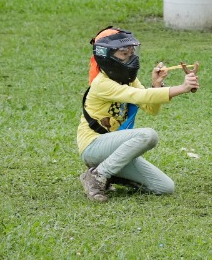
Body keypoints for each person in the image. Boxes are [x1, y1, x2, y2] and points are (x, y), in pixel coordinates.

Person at [77, 26, 199, 202]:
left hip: (114, 150)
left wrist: (156, 85)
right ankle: (97, 176)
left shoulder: (129, 79)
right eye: (124, 54)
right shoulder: (101, 84)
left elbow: (151, 108)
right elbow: (140, 95)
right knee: (148, 135)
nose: (131, 59)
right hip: (93, 146)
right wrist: (182, 88)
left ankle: (106, 173)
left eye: (132, 53)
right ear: (107, 56)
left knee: (165, 187)